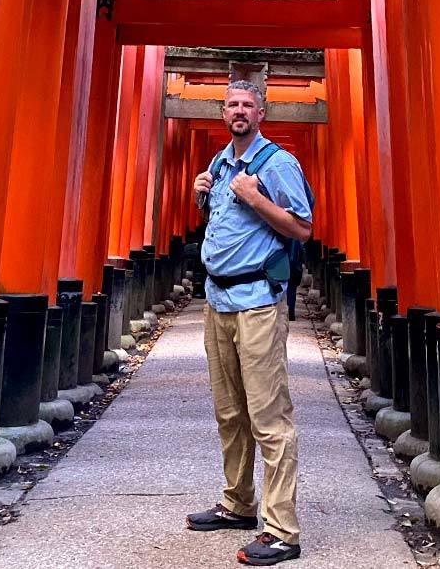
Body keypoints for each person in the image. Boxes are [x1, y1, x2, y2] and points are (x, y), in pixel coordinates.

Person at [185, 80, 313, 567]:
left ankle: (282, 531)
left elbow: (302, 227)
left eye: (248, 105)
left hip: (258, 302)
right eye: (232, 105)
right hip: (217, 300)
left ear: (262, 112)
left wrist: (256, 199)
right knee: (229, 410)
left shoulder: (278, 164)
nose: (240, 111)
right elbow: (222, 222)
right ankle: (237, 503)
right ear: (224, 113)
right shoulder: (221, 162)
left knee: (269, 417)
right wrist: (201, 194)